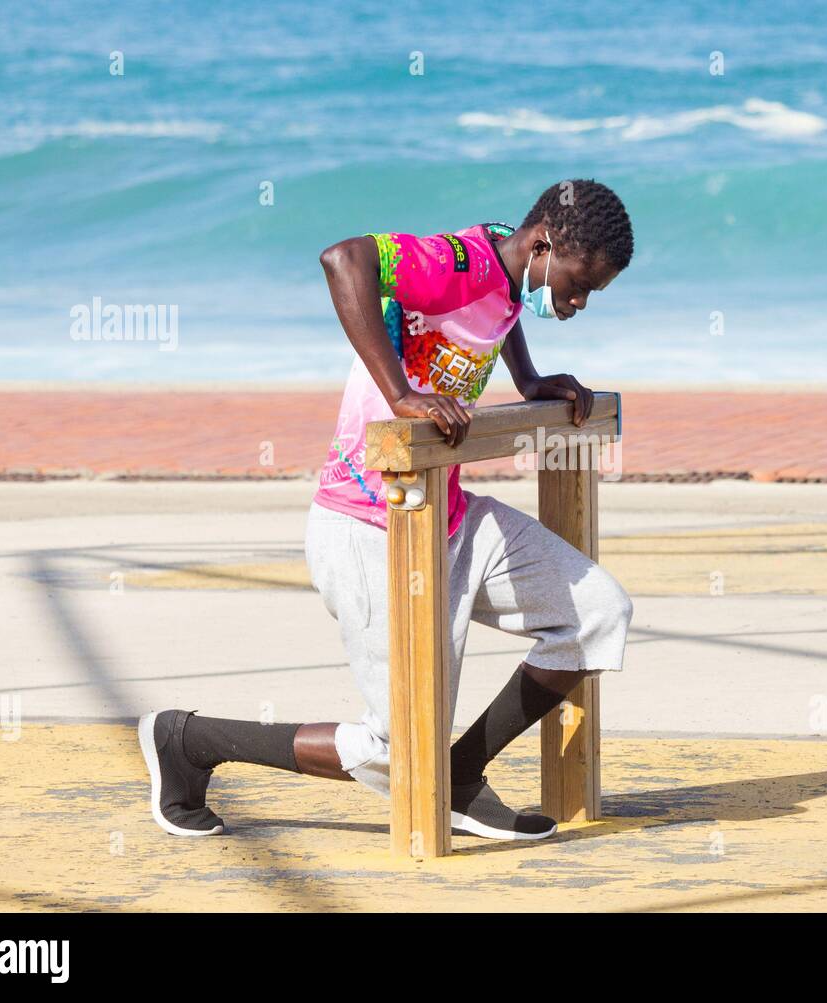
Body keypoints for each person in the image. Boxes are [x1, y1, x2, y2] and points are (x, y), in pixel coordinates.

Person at [139, 179, 635, 841]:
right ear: (543, 243)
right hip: (368, 525)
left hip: (447, 517)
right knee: (401, 751)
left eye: (589, 295)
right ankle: (189, 740)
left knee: (596, 615)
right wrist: (401, 393)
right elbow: (344, 259)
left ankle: (459, 773)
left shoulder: (507, 266)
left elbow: (498, 310)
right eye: (576, 285)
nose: (576, 302)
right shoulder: (458, 263)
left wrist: (531, 380)